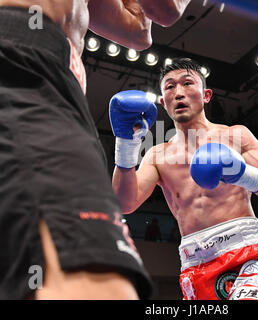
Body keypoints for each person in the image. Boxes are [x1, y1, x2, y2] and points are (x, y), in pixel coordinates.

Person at [0, 0, 191, 300]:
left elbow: (139, 29)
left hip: (32, 64)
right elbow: (167, 8)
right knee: (100, 289)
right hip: (25, 64)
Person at [110, 58, 258, 300]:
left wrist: (242, 174)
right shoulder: (157, 154)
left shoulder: (235, 136)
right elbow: (125, 204)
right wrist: (125, 146)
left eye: (187, 83)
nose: (178, 93)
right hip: (195, 262)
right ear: (163, 102)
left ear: (206, 95)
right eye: (169, 87)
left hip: (246, 253)